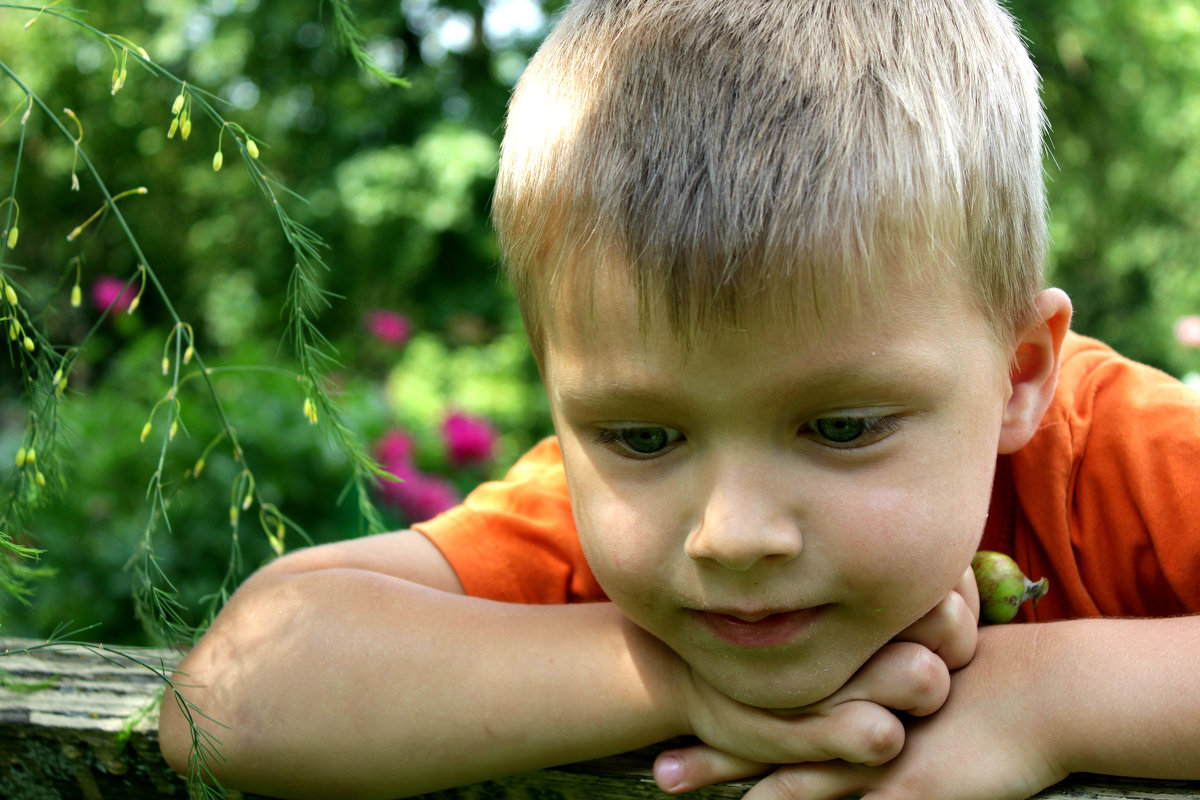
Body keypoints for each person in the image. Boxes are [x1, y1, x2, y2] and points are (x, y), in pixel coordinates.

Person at [158, 1, 1200, 798]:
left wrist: (1046, 694)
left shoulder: (1116, 455)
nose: (731, 532)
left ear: (1019, 374)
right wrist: (673, 681)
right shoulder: (589, 512)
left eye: (841, 426)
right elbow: (231, 691)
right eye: (644, 433)